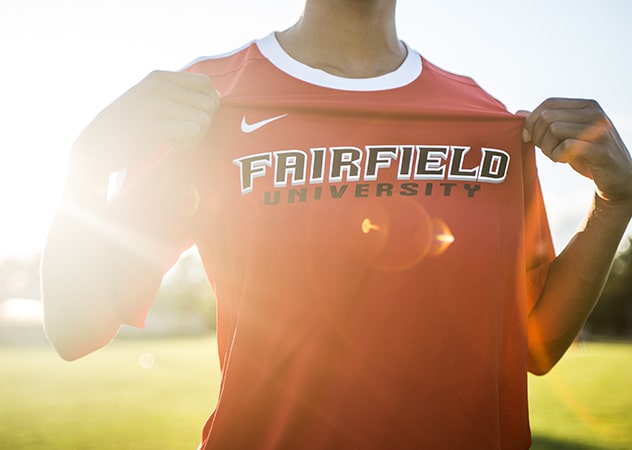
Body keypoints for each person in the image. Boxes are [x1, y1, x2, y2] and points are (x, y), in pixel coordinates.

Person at [41, 0, 632, 448]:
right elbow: (75, 329)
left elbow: (536, 343)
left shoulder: (482, 116)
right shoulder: (207, 100)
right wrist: (85, 166)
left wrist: (616, 202)